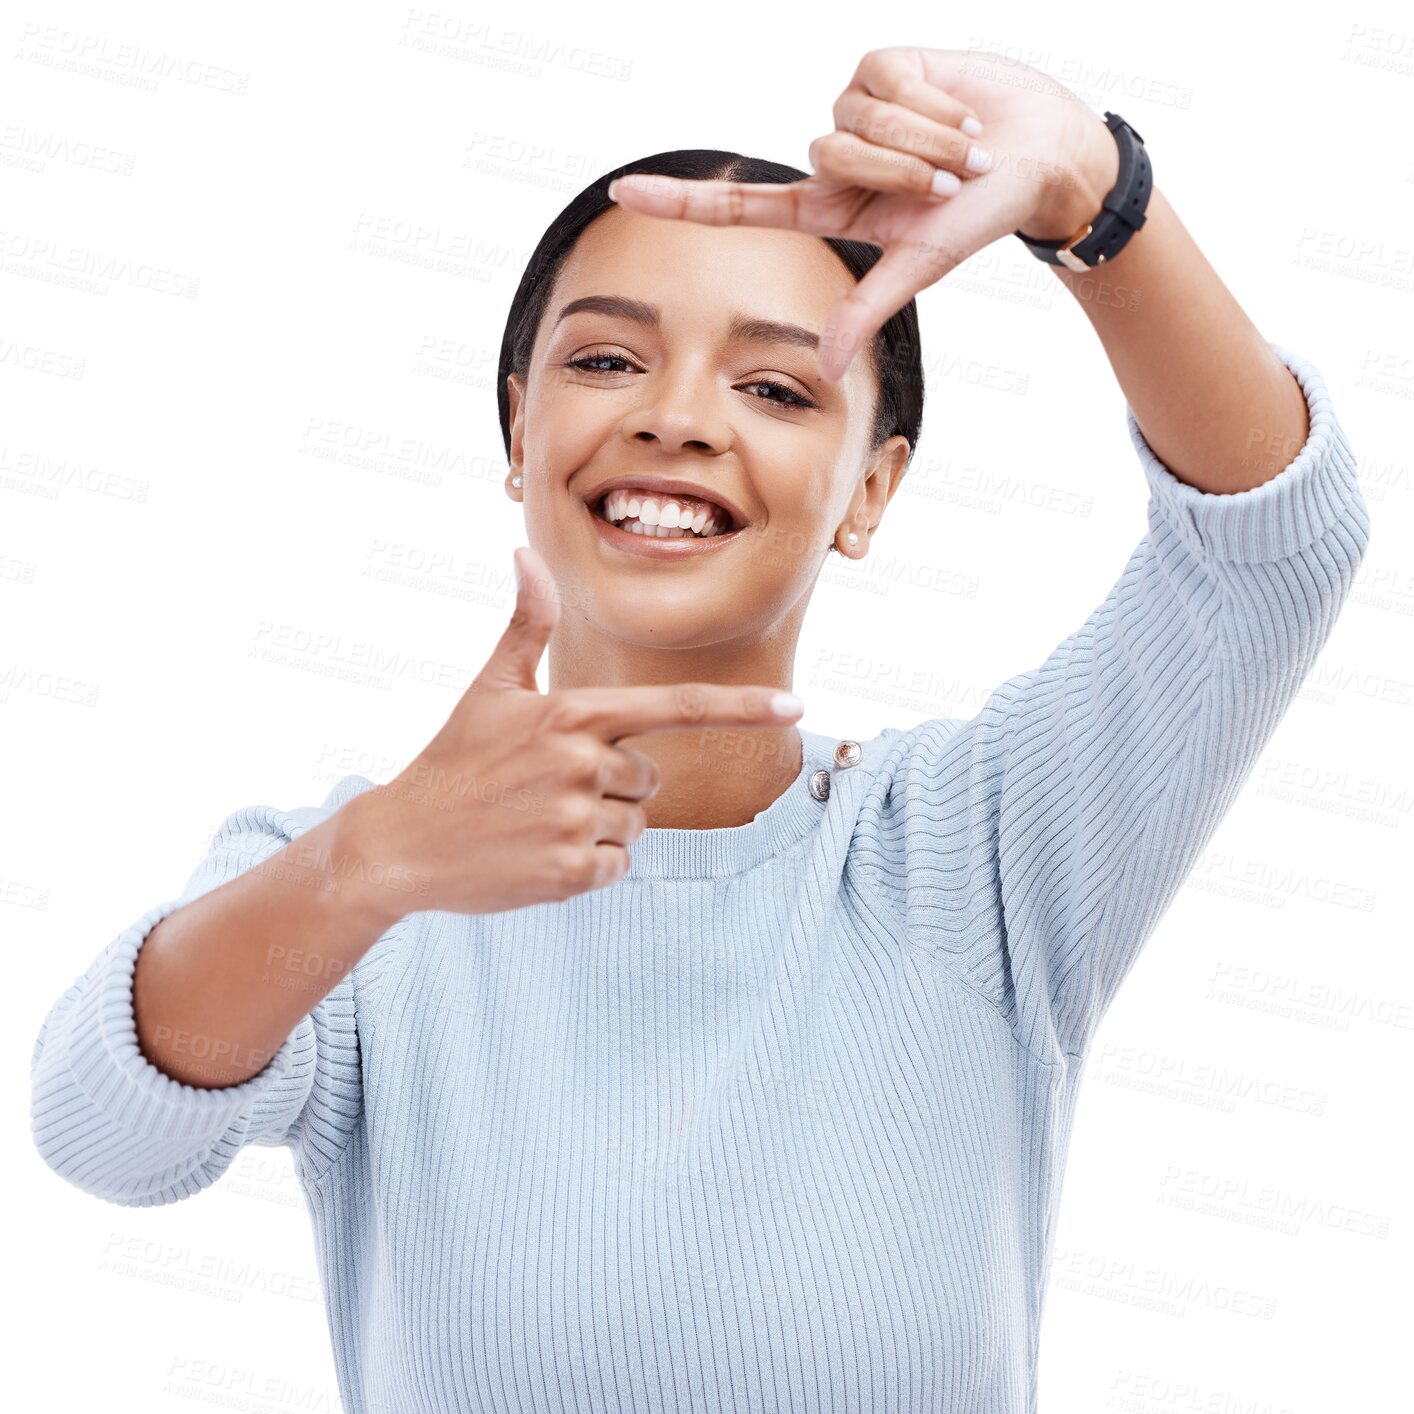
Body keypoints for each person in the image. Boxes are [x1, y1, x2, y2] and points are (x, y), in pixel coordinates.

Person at [30, 47, 1369, 1414]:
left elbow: (1269, 552)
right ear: (518, 425)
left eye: (777, 388)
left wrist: (1098, 192)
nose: (674, 418)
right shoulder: (373, 882)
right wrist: (367, 866)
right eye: (607, 358)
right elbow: (101, 1132)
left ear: (869, 490)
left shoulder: (977, 855)